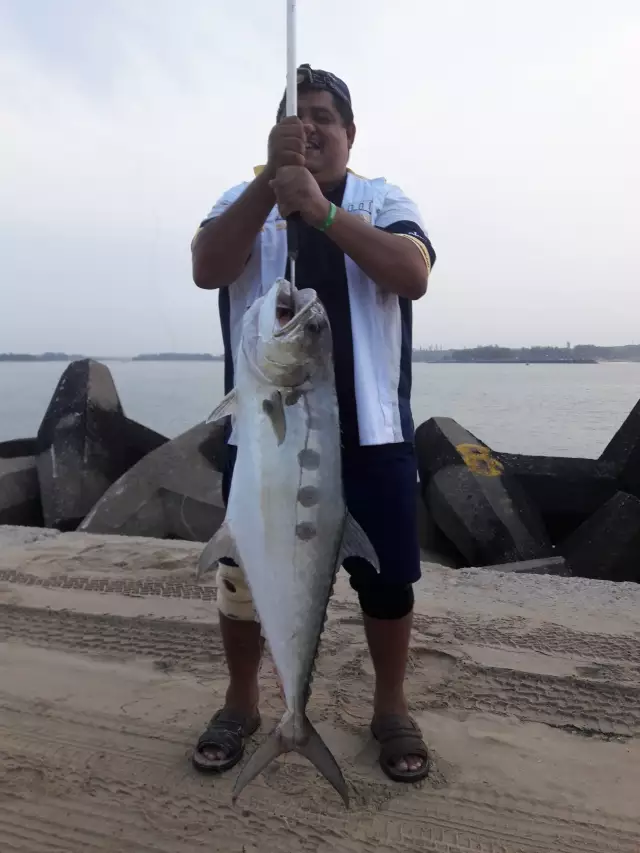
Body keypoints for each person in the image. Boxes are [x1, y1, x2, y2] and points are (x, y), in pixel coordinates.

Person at [190, 64, 436, 784]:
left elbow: (412, 273)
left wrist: (322, 212)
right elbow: (208, 266)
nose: (312, 128)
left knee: (387, 581)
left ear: (350, 134)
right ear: (276, 133)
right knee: (242, 574)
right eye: (297, 118)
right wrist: (273, 184)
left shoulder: (383, 199)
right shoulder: (243, 199)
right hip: (264, 434)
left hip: (374, 434)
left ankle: (390, 707)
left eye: (326, 117)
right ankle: (245, 703)